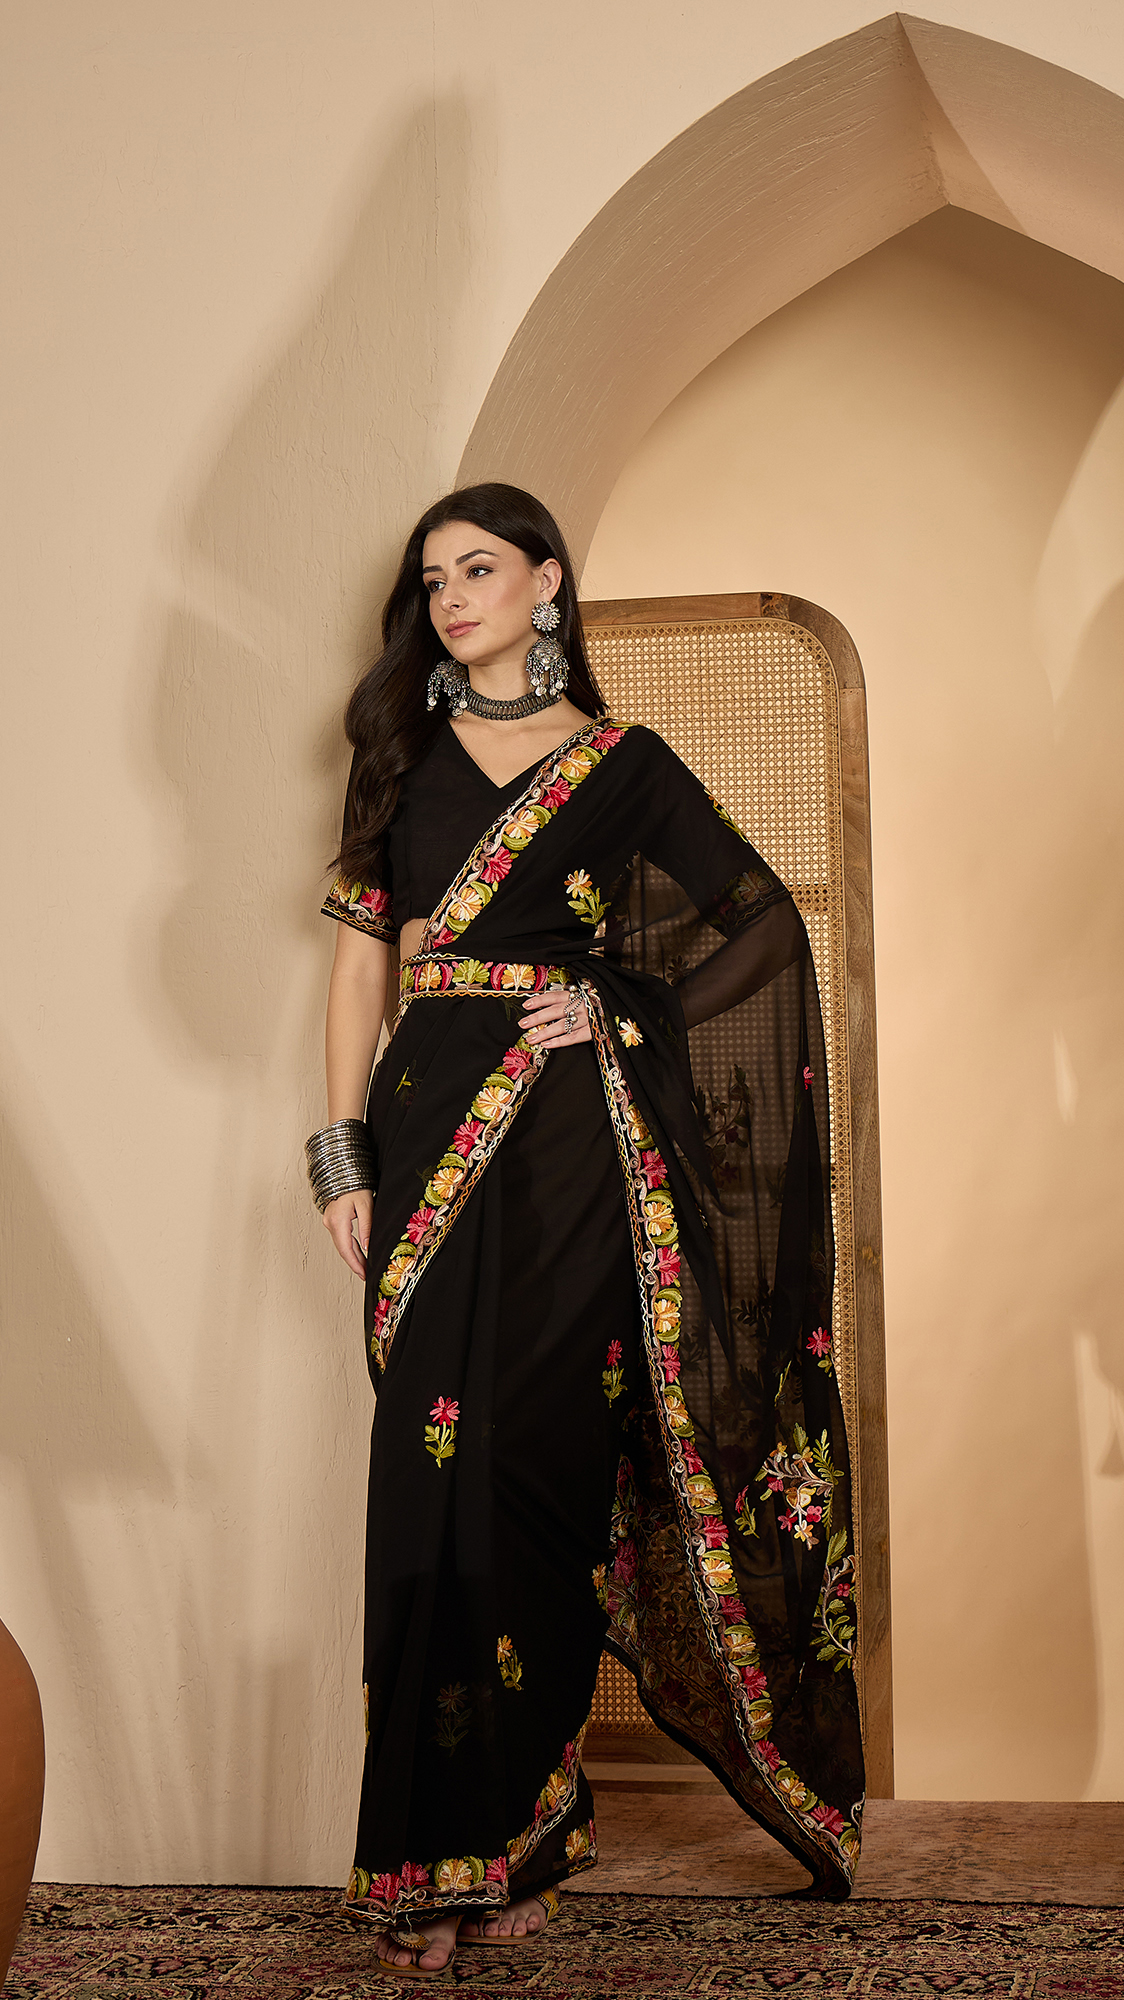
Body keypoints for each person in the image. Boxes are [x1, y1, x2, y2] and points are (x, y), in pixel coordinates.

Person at [309, 484, 865, 1978]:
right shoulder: (400, 753)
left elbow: (765, 925)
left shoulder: (624, 768)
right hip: (427, 1135)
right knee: (428, 1478)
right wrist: (339, 1157)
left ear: (548, 583)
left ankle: (526, 1839)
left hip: (568, 1148)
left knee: (539, 1471)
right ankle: (426, 1855)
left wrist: (617, 1003)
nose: (453, 597)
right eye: (434, 578)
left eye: (481, 568)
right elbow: (358, 969)